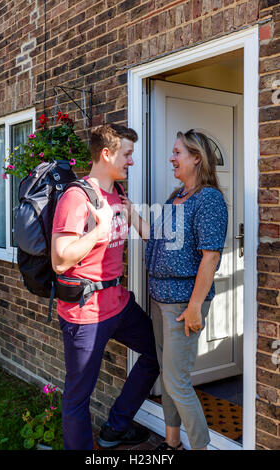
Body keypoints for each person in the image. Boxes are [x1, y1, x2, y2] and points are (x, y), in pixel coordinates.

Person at [51, 124, 159, 450]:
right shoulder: (76, 197)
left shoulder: (118, 194)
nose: (132, 161)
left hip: (118, 304)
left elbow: (149, 235)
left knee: (156, 354)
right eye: (127, 154)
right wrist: (97, 232)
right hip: (84, 313)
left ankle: (115, 428)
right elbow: (60, 260)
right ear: (107, 154)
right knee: (78, 397)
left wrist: (130, 213)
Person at [120, 129, 228, 451]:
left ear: (197, 158)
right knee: (168, 380)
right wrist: (130, 212)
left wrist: (195, 306)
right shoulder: (176, 196)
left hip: (183, 304)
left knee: (177, 381)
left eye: (177, 152)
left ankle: (200, 446)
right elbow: (156, 239)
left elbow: (211, 257)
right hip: (159, 301)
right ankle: (171, 443)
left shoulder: (208, 199)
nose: (172, 158)